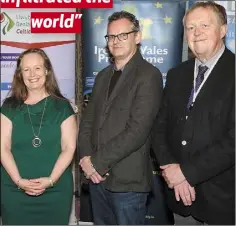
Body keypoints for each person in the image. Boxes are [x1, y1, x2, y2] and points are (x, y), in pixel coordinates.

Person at [152, 1, 235, 225]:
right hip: (180, 197)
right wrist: (172, 172)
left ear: (223, 30)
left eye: (204, 26)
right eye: (190, 27)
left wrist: (187, 172)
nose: (196, 33)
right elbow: (159, 128)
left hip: (223, 200)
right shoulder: (177, 74)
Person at [78, 11, 163, 225]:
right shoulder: (103, 76)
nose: (116, 41)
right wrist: (86, 159)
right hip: (97, 181)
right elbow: (87, 123)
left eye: (123, 35)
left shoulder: (149, 75)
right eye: (111, 36)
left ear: (137, 36)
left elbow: (137, 131)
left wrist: (96, 162)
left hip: (127, 184)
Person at [1, 48, 77, 225]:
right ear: (20, 74)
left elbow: (69, 148)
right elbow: (3, 147)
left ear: (47, 70)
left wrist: (50, 181)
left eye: (37, 68)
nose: (32, 74)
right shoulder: (9, 107)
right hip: (14, 191)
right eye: (26, 69)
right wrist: (19, 181)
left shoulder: (63, 107)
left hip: (56, 191)